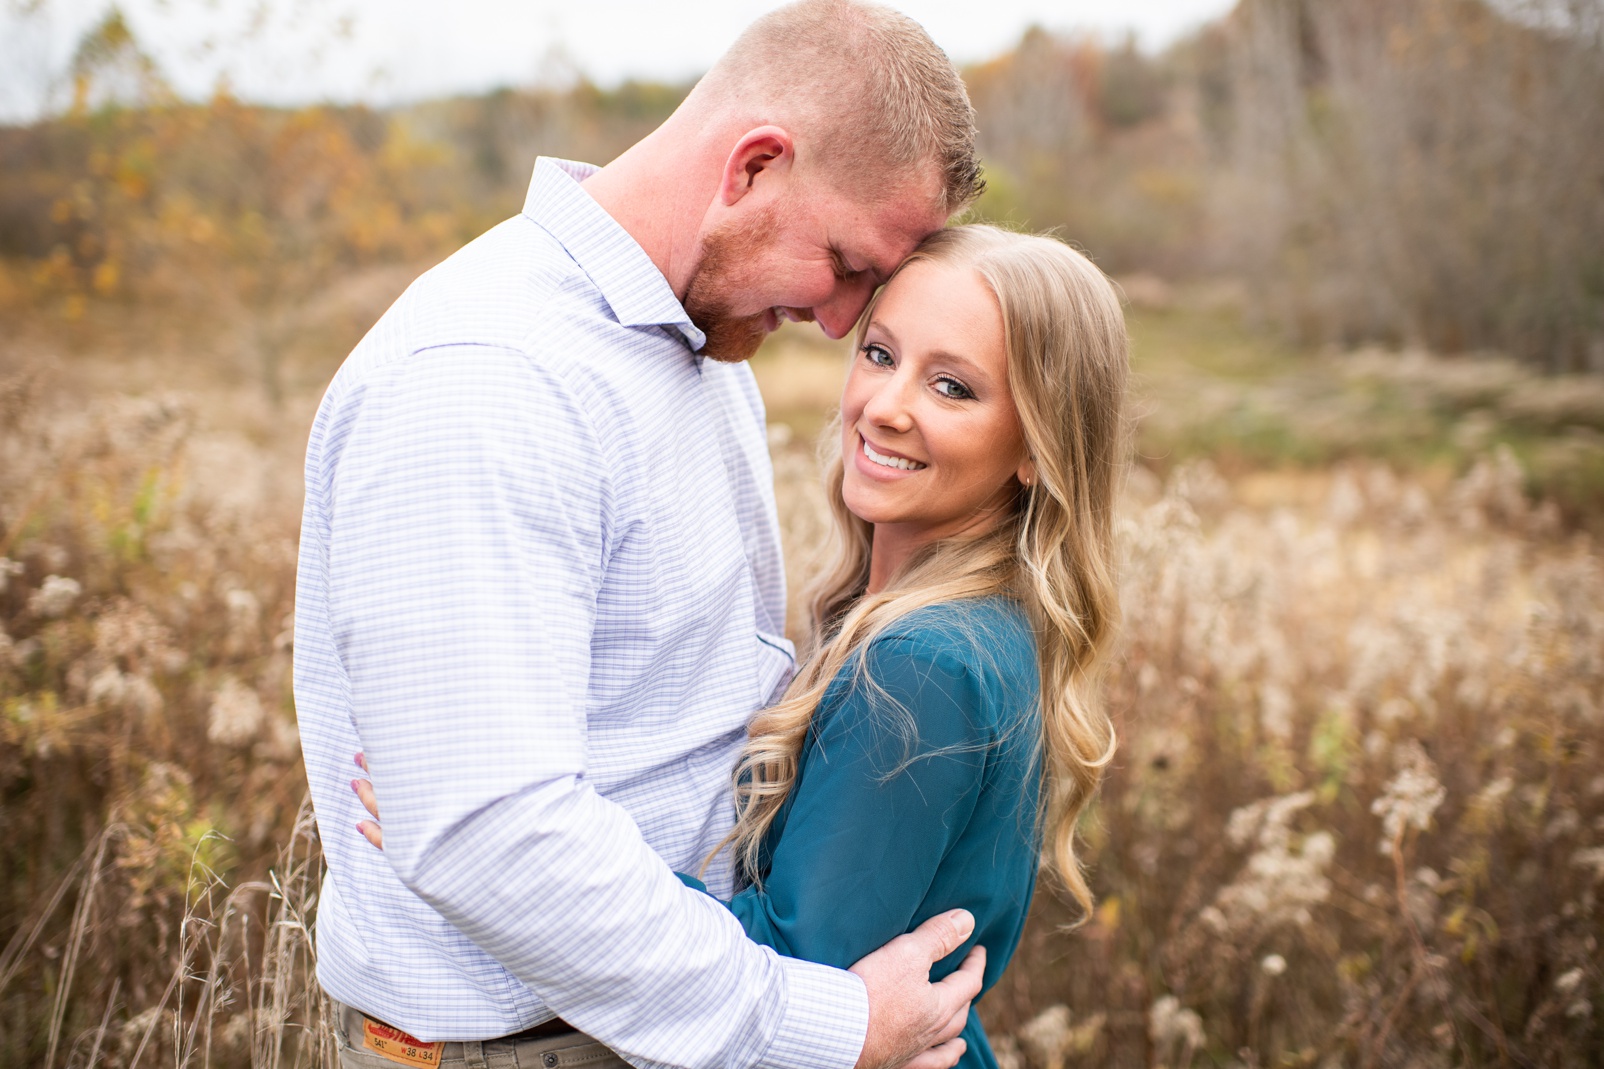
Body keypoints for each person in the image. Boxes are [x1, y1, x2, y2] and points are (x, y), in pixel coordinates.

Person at [293, 3, 989, 1069]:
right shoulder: (488, 377)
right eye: (845, 264)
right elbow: (488, 835)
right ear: (751, 168)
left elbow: (687, 706)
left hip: (655, 1029)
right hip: (526, 1048)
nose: (845, 321)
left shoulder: (693, 347)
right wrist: (824, 1029)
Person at [355, 224, 1131, 1069]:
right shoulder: (931, 620)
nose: (885, 405)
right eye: (879, 353)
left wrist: (511, 853)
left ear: (1035, 447)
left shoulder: (922, 664)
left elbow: (797, 972)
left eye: (951, 386)